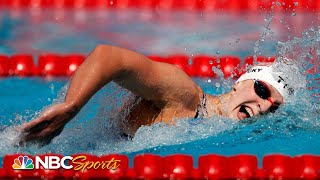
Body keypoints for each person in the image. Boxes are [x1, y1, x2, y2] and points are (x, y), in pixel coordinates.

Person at [20, 45, 292, 145]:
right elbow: (109, 56)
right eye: (262, 89)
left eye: (275, 107)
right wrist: (71, 106)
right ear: (239, 83)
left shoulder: (226, 132)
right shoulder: (185, 95)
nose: (265, 106)